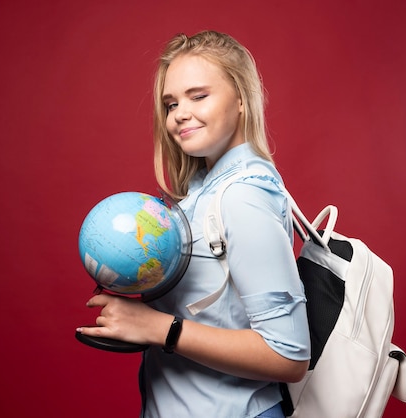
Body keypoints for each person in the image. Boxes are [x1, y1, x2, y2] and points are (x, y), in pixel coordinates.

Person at [77, 30, 310, 418]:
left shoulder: (242, 196)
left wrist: (158, 328)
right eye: (171, 103)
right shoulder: (204, 188)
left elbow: (288, 356)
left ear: (240, 99)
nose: (179, 113)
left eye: (198, 96)